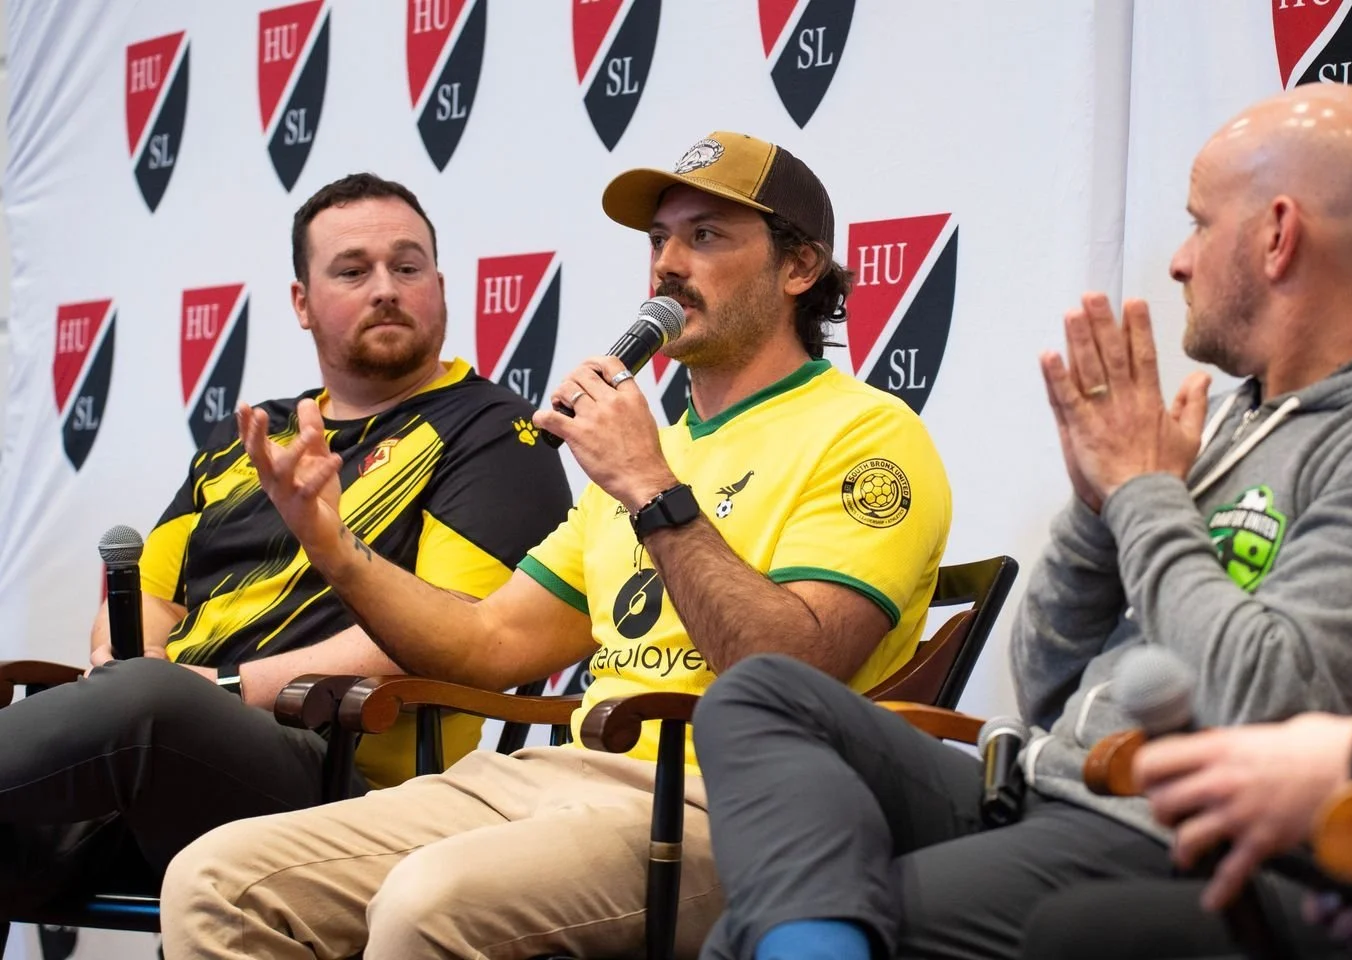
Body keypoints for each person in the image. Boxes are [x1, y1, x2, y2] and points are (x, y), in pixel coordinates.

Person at [688, 85, 1352, 960]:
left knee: (754, 936)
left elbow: (1267, 697)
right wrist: (1096, 512)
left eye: (1199, 224)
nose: (1179, 262)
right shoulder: (1228, 422)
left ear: (1277, 236)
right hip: (1041, 786)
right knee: (760, 695)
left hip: (1175, 837)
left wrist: (1142, 497)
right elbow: (1046, 682)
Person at [158, 131, 952, 960]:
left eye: (706, 237)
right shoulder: (654, 446)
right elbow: (486, 643)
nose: (666, 266)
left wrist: (649, 485)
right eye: (658, 240)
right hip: (562, 778)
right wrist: (335, 549)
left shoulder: (865, 438)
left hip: (736, 808)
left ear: (799, 269)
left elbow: (794, 668)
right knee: (217, 881)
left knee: (429, 903)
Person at [0, 173, 573, 909]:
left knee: (148, 701)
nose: (386, 288)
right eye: (352, 270)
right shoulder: (255, 433)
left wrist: (219, 689)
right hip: (162, 766)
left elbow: (449, 633)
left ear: (440, 283)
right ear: (301, 303)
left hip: (344, 778)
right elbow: (151, 592)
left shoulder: (495, 433)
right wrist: (128, 655)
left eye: (407, 266)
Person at [1018, 704, 1352, 959]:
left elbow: (1249, 697)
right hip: (1051, 772)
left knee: (1080, 934)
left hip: (1131, 813)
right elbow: (1046, 681)